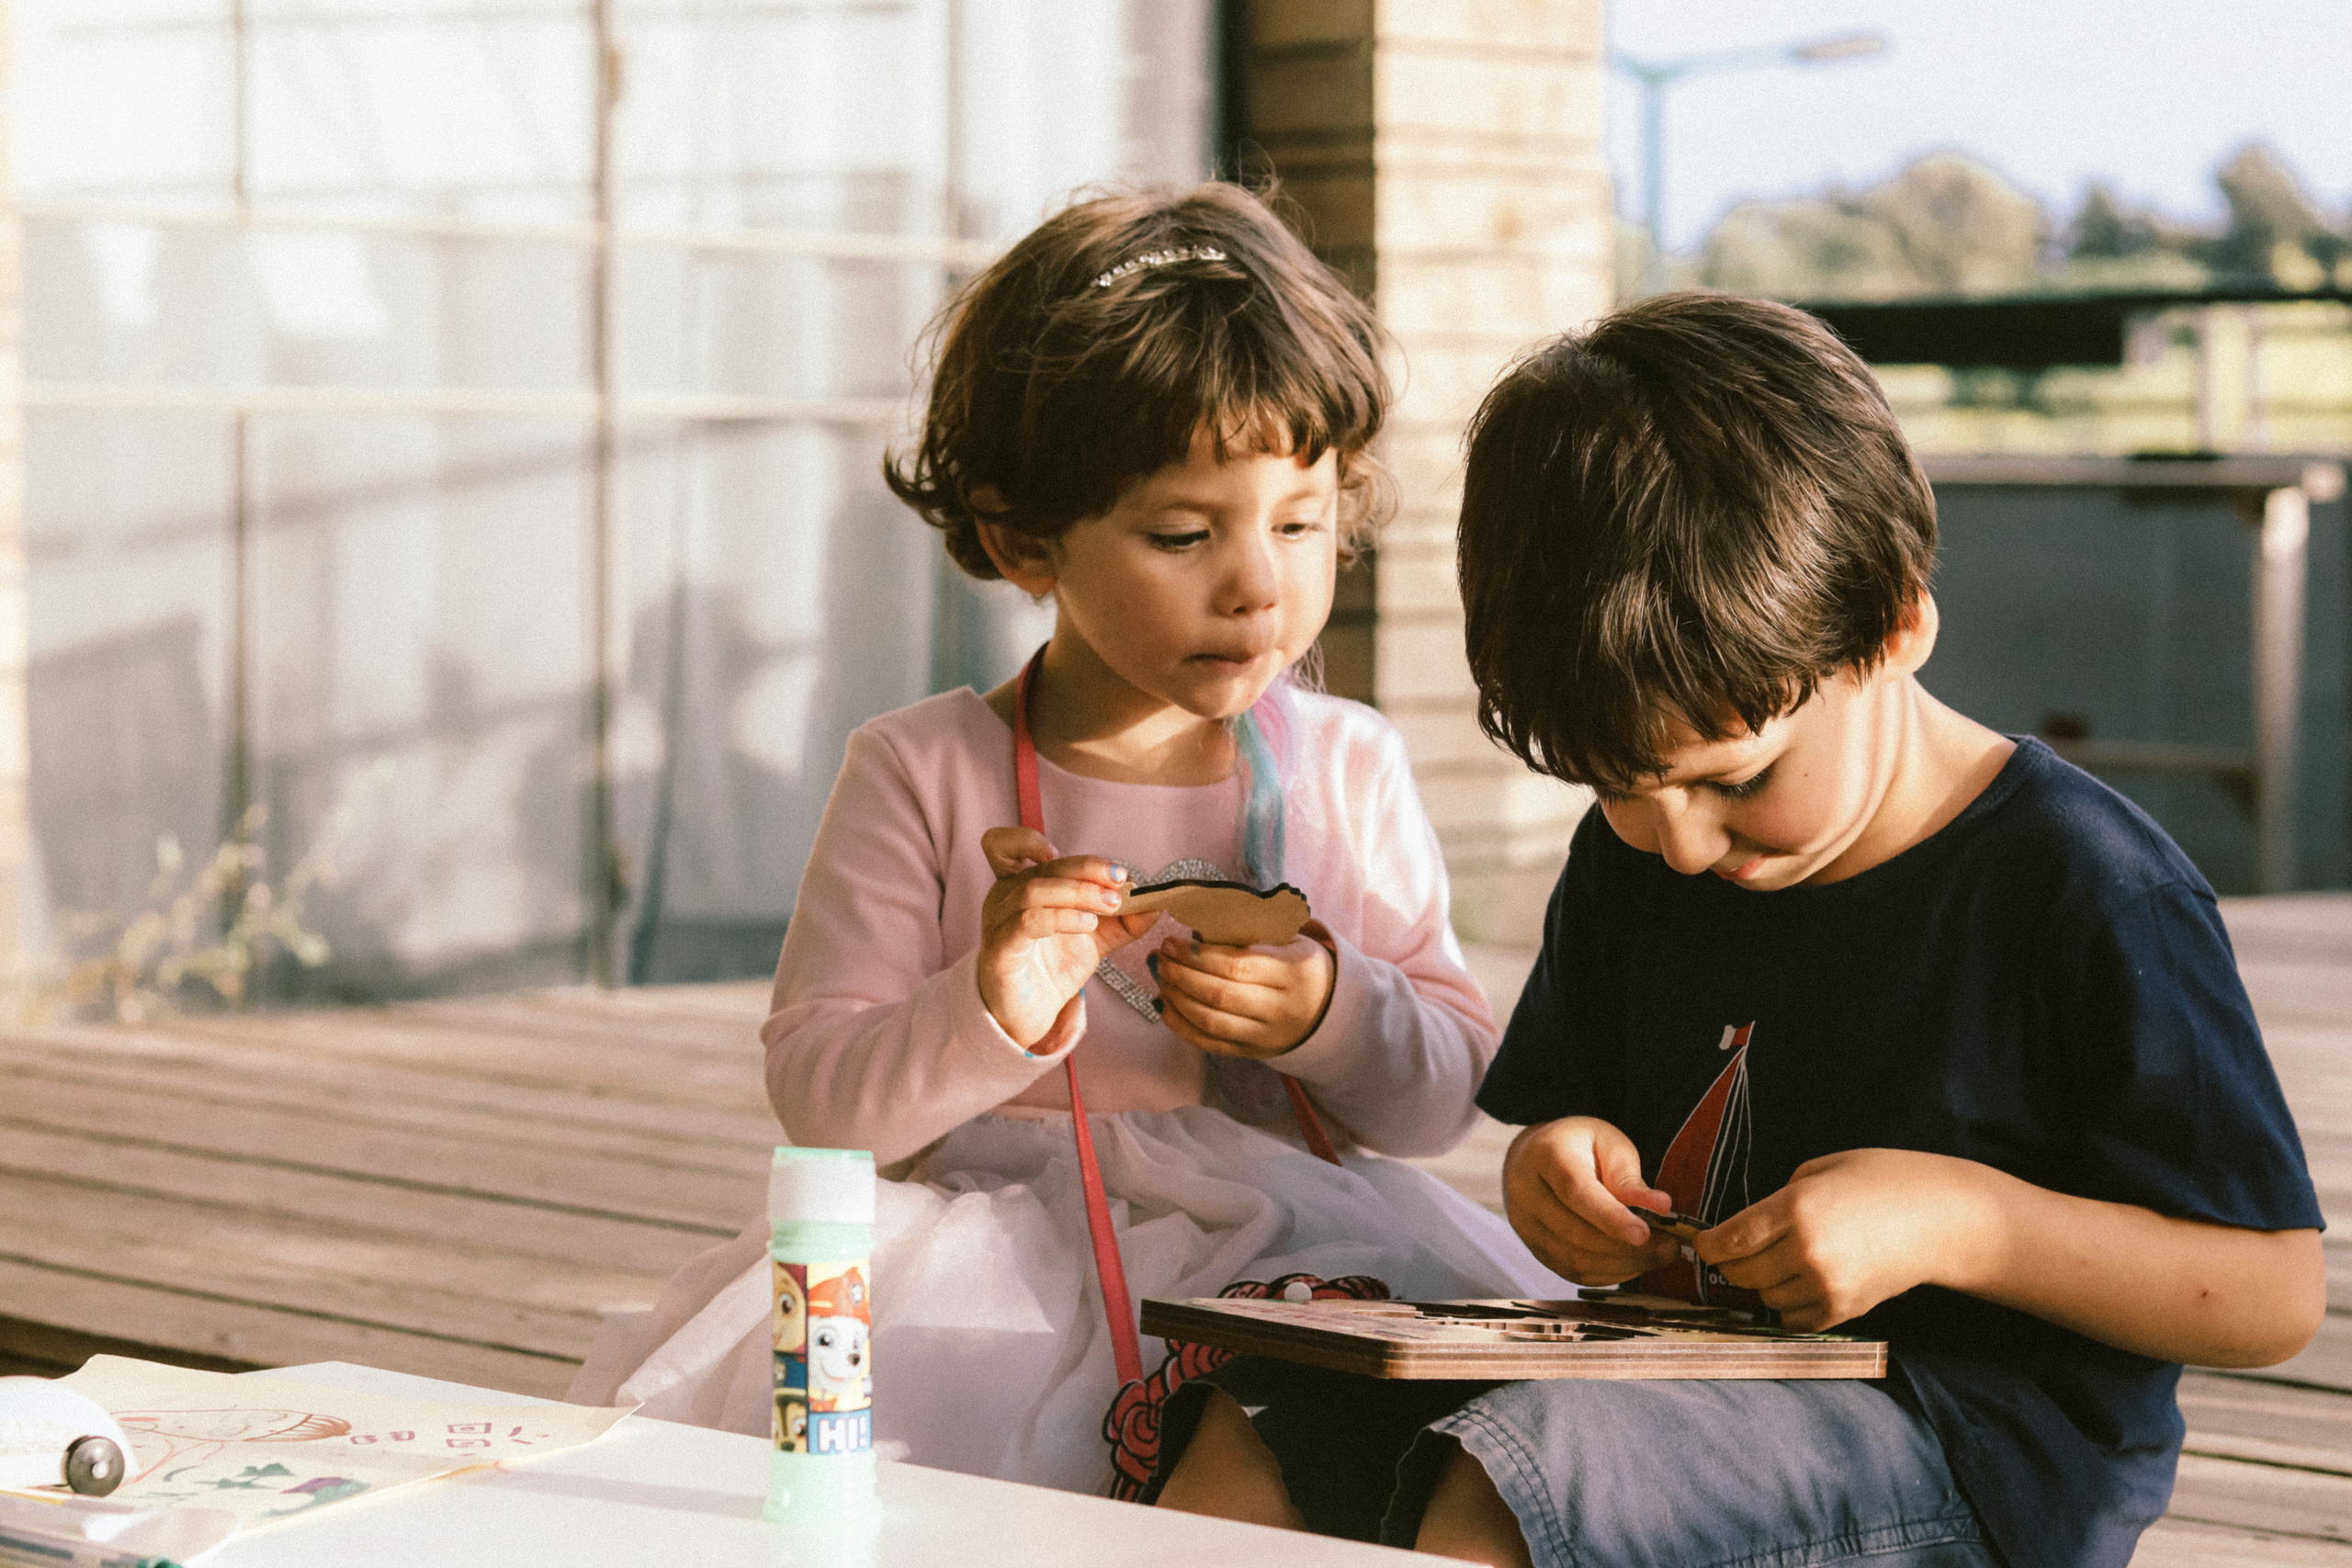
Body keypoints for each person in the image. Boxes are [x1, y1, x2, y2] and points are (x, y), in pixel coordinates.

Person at [1148, 292, 2327, 1567]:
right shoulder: (1641, 850)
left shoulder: (2082, 887)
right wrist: (1563, 1170)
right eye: (1619, 790)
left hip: (1961, 1452)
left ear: (1892, 628)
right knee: (1265, 1422)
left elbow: (2270, 1294)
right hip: (1659, 1377)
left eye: (1737, 779)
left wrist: (1963, 1223)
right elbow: (1575, 1124)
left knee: (1530, 1485)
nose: (1683, 844)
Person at [567, 183, 1573, 1494]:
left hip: (1290, 1231)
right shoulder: (924, 769)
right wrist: (987, 1006)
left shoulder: (1347, 766)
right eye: (1182, 532)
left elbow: (1441, 1094)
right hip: (981, 1268)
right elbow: (824, 1104)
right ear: (1018, 534)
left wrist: (1330, 1009)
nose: (1257, 581)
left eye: (1300, 521)